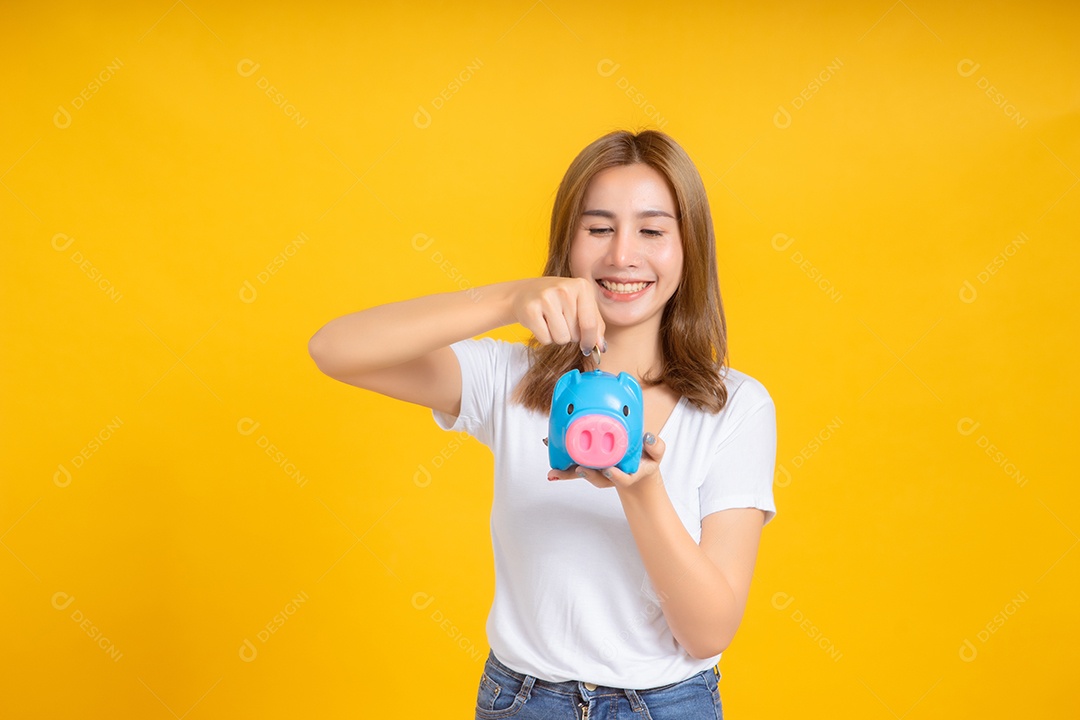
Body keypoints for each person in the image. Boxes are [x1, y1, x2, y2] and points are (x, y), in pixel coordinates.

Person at [308, 128, 778, 719]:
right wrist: (507, 300)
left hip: (667, 706)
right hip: (524, 702)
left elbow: (708, 632)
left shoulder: (734, 406)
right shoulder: (510, 380)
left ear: (689, 249)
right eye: (599, 228)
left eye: (653, 230)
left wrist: (642, 491)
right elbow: (335, 348)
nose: (621, 255)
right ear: (567, 243)